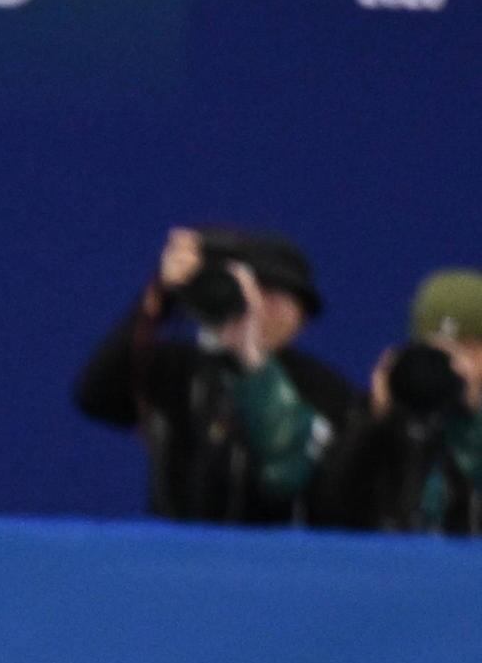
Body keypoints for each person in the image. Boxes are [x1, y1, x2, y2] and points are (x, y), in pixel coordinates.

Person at [72, 226, 357, 526]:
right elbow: (95, 397)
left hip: (271, 550)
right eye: (256, 291)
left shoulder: (325, 387)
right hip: (174, 546)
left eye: (280, 298)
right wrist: (160, 297)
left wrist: (252, 361)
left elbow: (289, 473)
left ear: (303, 319)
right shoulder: (177, 367)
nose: (261, 308)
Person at [327, 268, 482, 535]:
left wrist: (472, 417)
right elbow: (328, 510)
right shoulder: (375, 415)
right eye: (436, 351)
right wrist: (374, 421)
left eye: (469, 348)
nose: (454, 365)